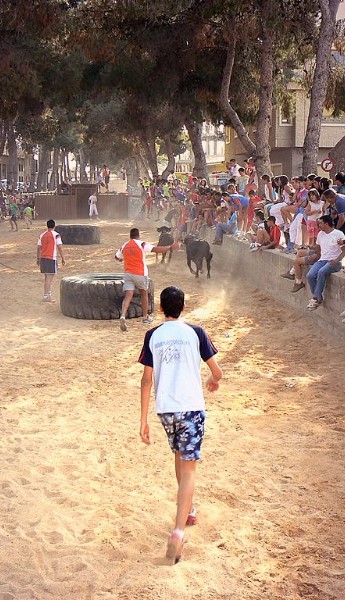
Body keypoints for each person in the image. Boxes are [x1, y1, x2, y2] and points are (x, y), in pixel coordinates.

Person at [138, 286, 222, 564]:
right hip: (190, 407)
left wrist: (143, 420)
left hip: (165, 409)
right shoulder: (196, 332)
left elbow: (146, 380)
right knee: (189, 469)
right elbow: (217, 371)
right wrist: (213, 381)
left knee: (179, 455)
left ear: (161, 308)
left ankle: (189, 510)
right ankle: (177, 532)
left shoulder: (153, 335)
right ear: (184, 307)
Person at [115, 228, 178, 331]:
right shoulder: (141, 244)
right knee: (144, 294)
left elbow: (117, 257)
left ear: (130, 236)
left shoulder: (125, 245)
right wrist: (170, 248)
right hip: (140, 273)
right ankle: (145, 317)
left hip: (128, 273)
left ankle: (122, 315)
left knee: (128, 295)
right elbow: (155, 249)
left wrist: (123, 259)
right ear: (138, 235)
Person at [306, 215, 345, 310]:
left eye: (321, 223)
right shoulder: (320, 234)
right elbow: (318, 248)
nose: (319, 225)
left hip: (334, 262)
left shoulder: (338, 234)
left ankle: (315, 298)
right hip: (322, 260)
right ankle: (317, 297)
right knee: (310, 275)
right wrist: (316, 255)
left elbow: (344, 251)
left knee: (321, 272)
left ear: (326, 223)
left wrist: (337, 260)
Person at [36, 219, 65, 302]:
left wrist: (38, 258)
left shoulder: (42, 235)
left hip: (43, 258)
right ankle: (46, 296)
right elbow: (59, 247)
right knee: (49, 278)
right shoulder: (56, 235)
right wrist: (63, 257)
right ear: (54, 226)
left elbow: (39, 248)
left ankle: (47, 295)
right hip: (51, 258)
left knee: (46, 278)